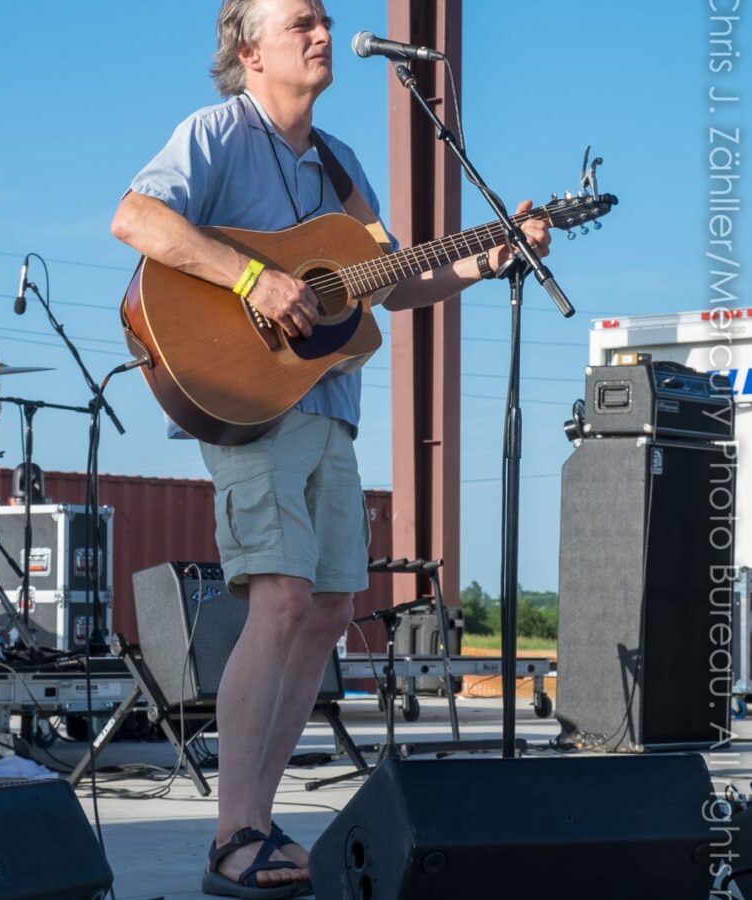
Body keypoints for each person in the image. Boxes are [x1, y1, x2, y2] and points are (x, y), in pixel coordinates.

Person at [112, 1, 551, 896]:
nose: (321, 31)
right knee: (277, 602)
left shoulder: (343, 166)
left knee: (328, 608)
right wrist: (251, 277)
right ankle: (230, 832)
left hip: (330, 406)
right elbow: (135, 219)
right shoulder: (215, 133)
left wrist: (490, 256)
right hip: (250, 401)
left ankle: (260, 820)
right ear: (249, 50)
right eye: (300, 22)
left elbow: (393, 281)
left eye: (324, 18)